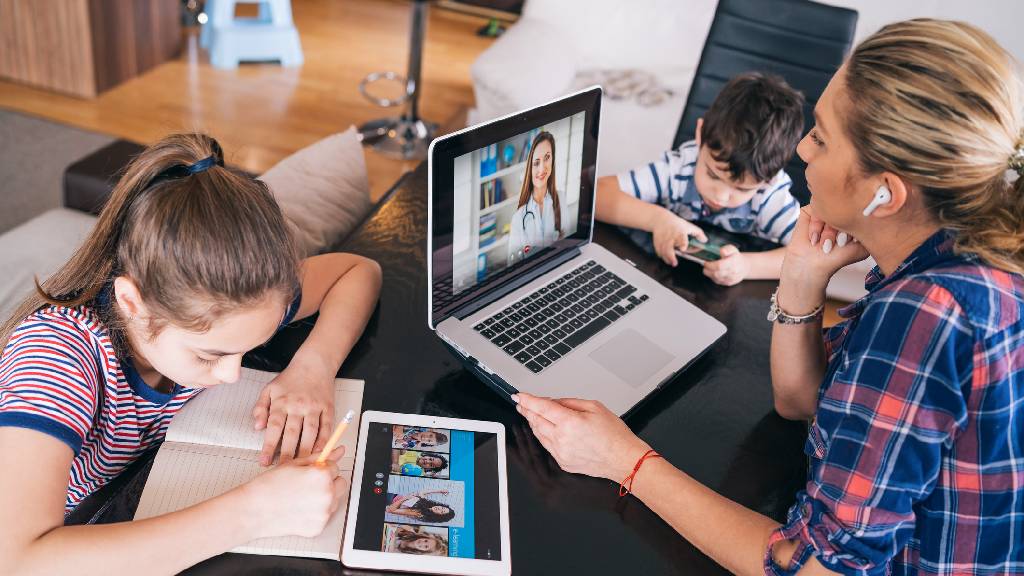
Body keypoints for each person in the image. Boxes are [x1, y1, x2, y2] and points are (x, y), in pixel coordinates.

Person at [514, 19, 1024, 576]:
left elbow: (812, 569)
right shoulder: (948, 253)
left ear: (886, 193)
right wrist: (803, 277)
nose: (802, 148)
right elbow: (803, 402)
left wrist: (622, 460)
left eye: (822, 138)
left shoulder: (930, 312)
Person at [0, 134, 383, 574]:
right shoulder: (56, 355)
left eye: (248, 349)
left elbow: (358, 272)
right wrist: (256, 512)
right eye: (209, 355)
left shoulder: (234, 305)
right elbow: (18, 560)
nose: (232, 374)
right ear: (132, 304)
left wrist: (312, 368)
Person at [595, 72, 805, 286]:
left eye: (741, 189)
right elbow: (596, 193)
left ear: (768, 179)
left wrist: (748, 266)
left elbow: (810, 255)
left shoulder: (769, 196)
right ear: (700, 134)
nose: (721, 196)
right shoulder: (678, 170)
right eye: (713, 174)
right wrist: (658, 220)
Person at [508, 132, 565, 259]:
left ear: (553, 160)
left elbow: (570, 243)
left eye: (547, 158)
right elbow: (513, 267)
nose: (542, 169)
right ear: (530, 167)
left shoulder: (561, 199)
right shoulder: (518, 219)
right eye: (536, 162)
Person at [386, 490, 456, 524]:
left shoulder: (419, 513)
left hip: (389, 500)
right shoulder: (427, 505)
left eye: (442, 511)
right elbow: (422, 493)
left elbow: (390, 510)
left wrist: (405, 498)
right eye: (443, 508)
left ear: (439, 516)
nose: (440, 508)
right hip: (393, 495)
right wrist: (440, 491)